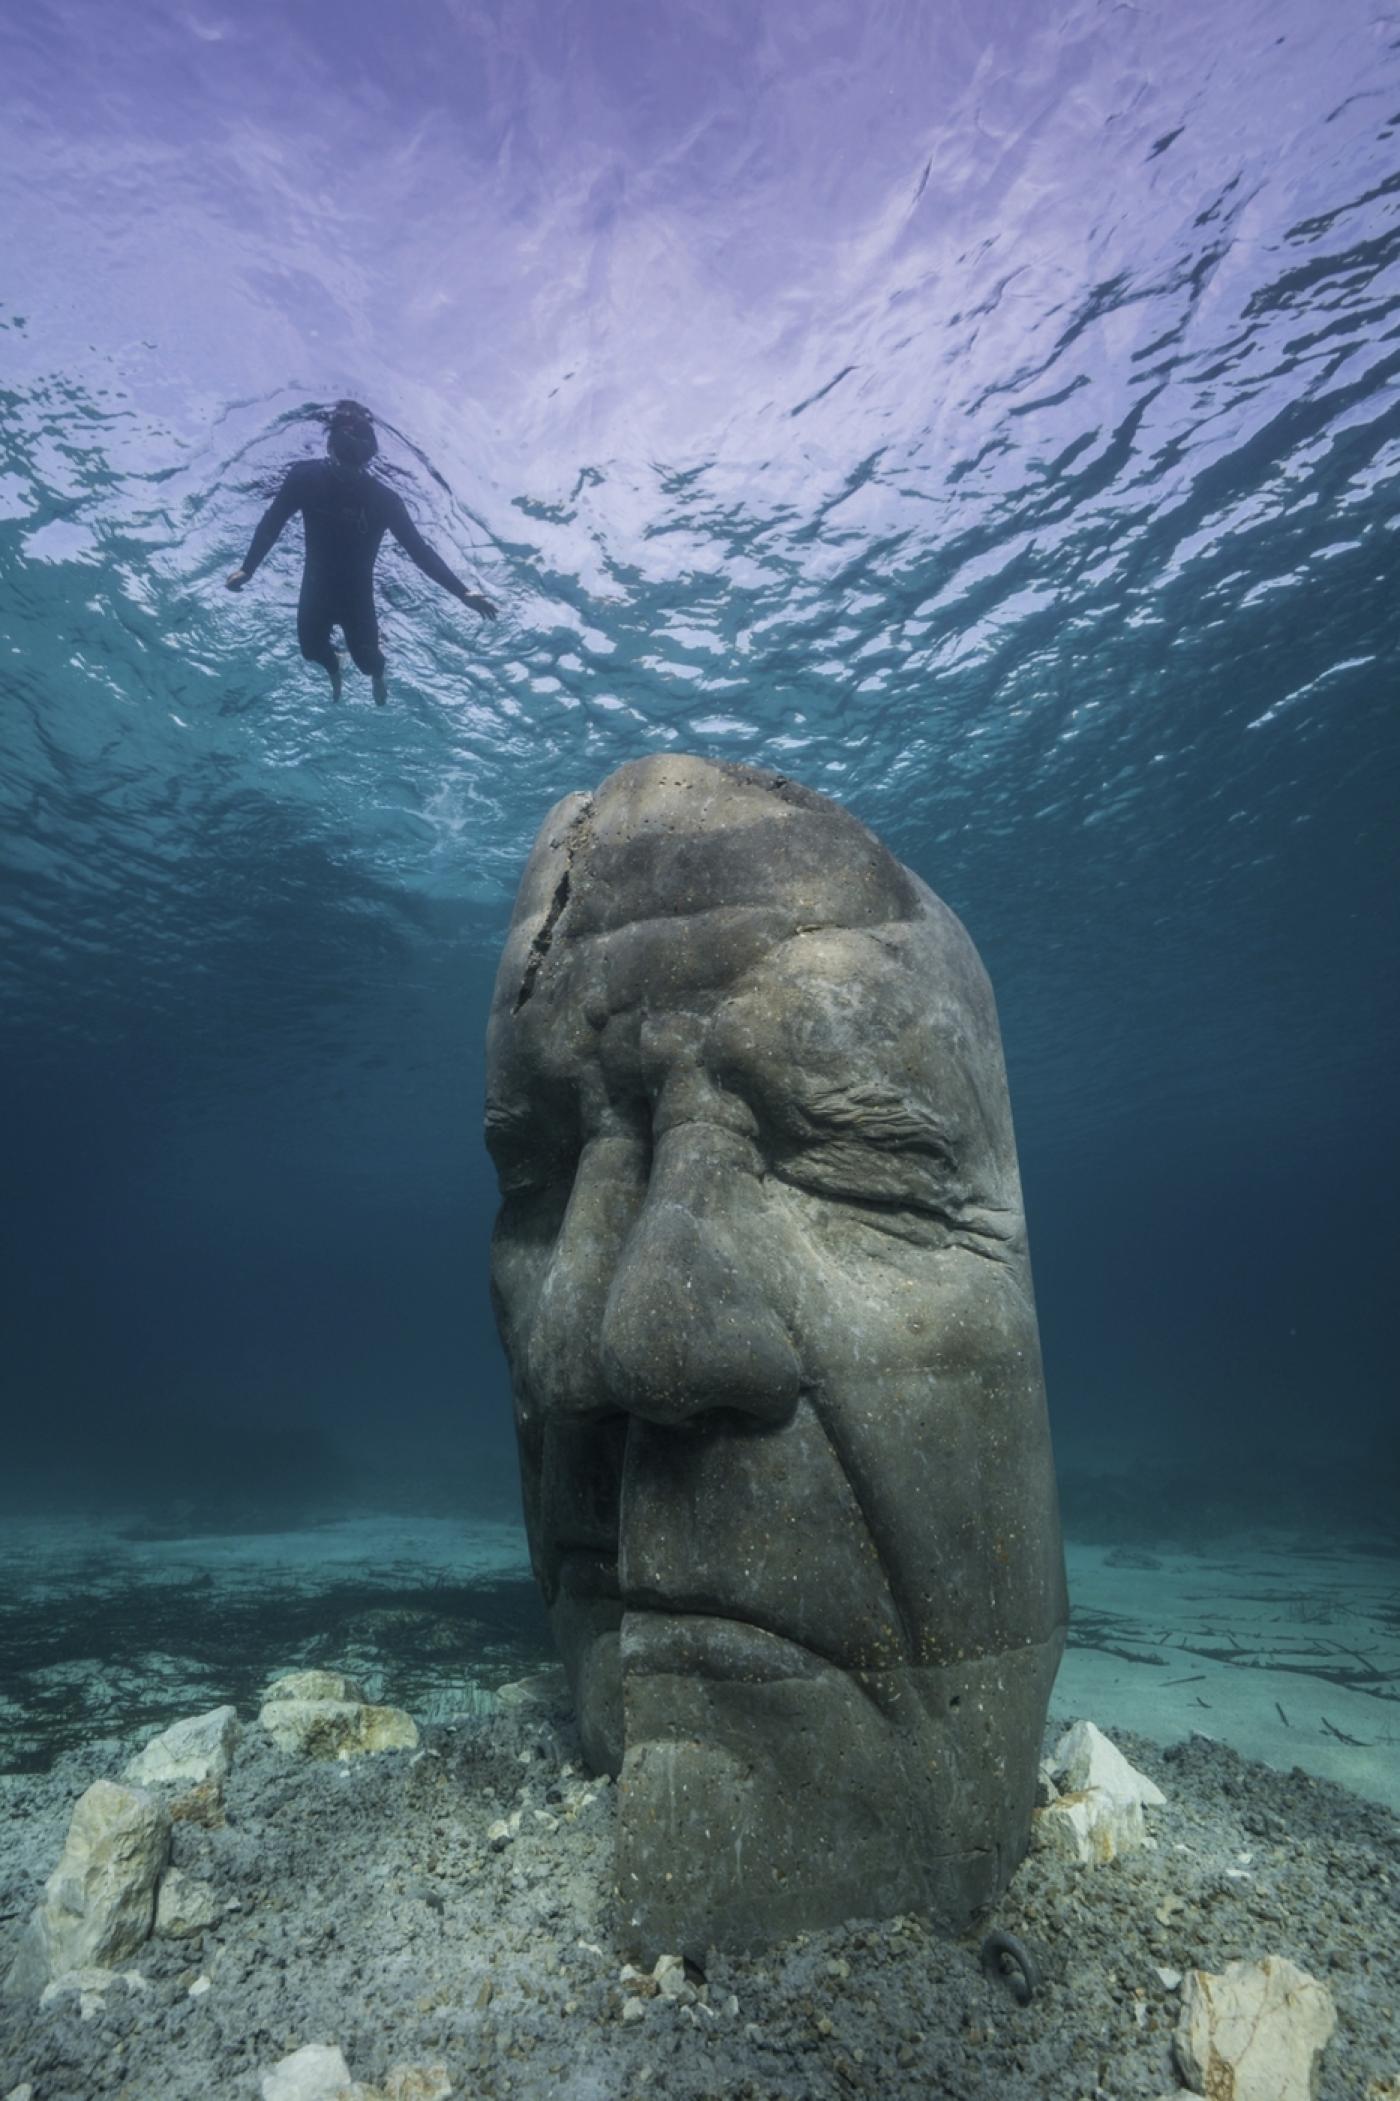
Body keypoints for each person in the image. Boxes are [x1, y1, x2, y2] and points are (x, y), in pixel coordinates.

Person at [226, 400, 497, 704]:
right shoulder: (304, 478)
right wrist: (248, 567)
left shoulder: (384, 500)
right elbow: (272, 521)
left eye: (357, 459)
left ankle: (378, 674)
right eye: (344, 455)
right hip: (317, 587)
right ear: (330, 447)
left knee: (368, 663)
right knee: (311, 651)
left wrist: (462, 592)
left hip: (356, 596)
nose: (348, 467)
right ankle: (335, 667)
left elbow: (419, 551)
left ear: (368, 458)